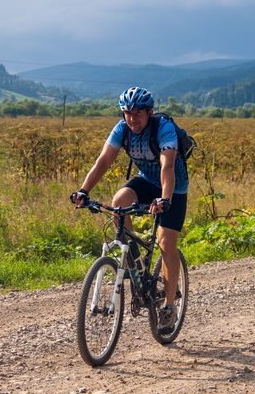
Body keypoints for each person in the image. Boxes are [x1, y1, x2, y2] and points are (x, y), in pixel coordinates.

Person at [71, 86, 189, 334]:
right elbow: (103, 161)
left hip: (173, 188)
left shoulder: (163, 128)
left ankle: (168, 306)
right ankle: (134, 261)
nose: (132, 119)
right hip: (146, 180)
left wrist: (165, 199)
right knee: (119, 201)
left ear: (149, 112)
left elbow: (167, 167)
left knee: (166, 242)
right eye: (127, 113)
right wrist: (83, 190)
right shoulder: (122, 129)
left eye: (138, 114)